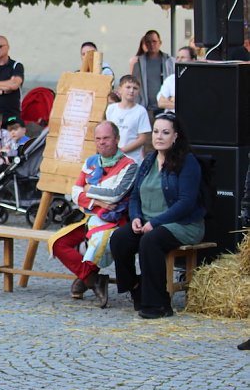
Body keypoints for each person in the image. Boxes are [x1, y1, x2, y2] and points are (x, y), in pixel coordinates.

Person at [110, 113, 205, 319]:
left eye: (165, 132)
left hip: (182, 224)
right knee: (119, 239)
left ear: (175, 136)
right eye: (155, 131)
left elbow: (186, 202)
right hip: (148, 222)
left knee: (150, 241)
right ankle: (136, 287)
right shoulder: (149, 160)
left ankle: (159, 304)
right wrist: (135, 216)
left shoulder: (187, 162)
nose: (159, 136)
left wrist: (155, 222)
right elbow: (135, 195)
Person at [48, 121, 138, 307]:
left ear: (117, 139)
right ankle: (93, 280)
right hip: (89, 218)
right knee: (58, 243)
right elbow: (74, 192)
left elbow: (115, 195)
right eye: (98, 139)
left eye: (106, 138)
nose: (102, 142)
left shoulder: (130, 166)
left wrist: (87, 189)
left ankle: (86, 279)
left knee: (98, 245)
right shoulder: (90, 162)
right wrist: (97, 201)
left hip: (113, 222)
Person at [105, 75, 151, 163]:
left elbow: (142, 138)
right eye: (128, 87)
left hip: (132, 159)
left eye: (135, 88)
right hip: (112, 158)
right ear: (120, 89)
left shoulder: (141, 111)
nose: (131, 91)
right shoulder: (111, 108)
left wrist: (122, 151)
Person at [132, 30, 174, 115]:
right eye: (148, 42)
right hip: (147, 109)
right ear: (145, 44)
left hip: (166, 108)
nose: (151, 44)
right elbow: (135, 85)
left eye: (154, 41)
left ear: (160, 42)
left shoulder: (169, 61)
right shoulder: (139, 64)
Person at [157, 47, 196, 111]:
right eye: (177, 57)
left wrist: (173, 100)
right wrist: (181, 103)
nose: (179, 60)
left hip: (192, 115)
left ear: (193, 60)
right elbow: (161, 103)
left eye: (183, 57)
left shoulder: (198, 79)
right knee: (160, 121)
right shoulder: (170, 79)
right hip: (172, 116)